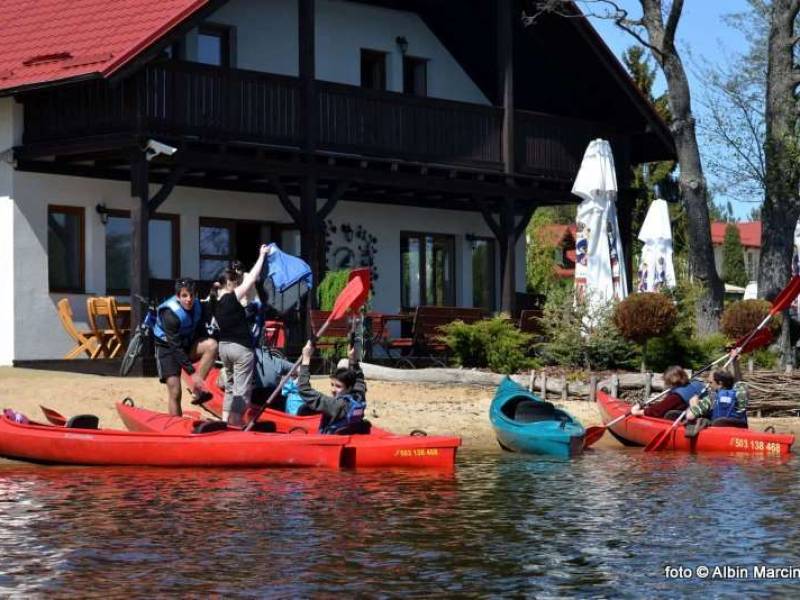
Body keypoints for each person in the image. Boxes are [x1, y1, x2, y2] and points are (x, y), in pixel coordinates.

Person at [214, 244, 270, 426]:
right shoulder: (231, 297)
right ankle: (236, 423)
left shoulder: (213, 302)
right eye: (232, 282)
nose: (235, 284)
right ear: (226, 284)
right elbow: (251, 278)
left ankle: (224, 422)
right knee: (242, 391)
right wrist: (261, 255)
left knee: (230, 388)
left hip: (224, 348)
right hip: (241, 348)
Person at [153, 278, 218, 416]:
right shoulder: (170, 314)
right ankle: (175, 426)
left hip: (186, 343)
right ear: (178, 296)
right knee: (175, 391)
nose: (188, 299)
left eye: (191, 295)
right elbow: (175, 347)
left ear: (195, 295)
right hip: (167, 348)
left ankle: (197, 390)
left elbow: (202, 330)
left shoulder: (198, 306)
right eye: (184, 296)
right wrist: (192, 372)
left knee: (212, 345)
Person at [296, 340, 367, 434]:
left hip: (331, 442)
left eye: (338, 386)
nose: (333, 390)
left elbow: (304, 390)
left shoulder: (335, 405)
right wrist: (353, 361)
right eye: (332, 385)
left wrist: (305, 360)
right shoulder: (358, 398)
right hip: (347, 434)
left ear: (349, 388)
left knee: (303, 409)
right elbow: (359, 381)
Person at [684, 370, 748, 437]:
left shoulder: (711, 398)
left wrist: (693, 404)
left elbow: (690, 416)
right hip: (739, 435)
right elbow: (740, 382)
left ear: (720, 383)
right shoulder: (741, 395)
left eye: (711, 382)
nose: (708, 385)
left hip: (719, 435)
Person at [630, 365, 705, 420]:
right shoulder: (697, 384)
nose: (665, 384)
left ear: (670, 381)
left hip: (685, 419)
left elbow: (657, 411)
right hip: (702, 415)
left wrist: (637, 412)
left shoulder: (676, 396)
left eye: (666, 382)